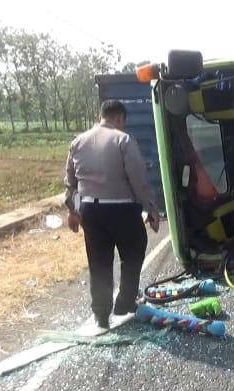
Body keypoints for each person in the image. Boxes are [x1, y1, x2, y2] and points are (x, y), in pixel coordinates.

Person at [64, 99, 161, 333]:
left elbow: (71, 184)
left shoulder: (78, 141)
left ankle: (101, 315)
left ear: (101, 117)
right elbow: (138, 179)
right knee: (134, 251)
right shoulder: (123, 140)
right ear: (119, 119)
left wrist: (73, 212)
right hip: (121, 209)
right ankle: (125, 304)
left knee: (99, 262)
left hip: (90, 211)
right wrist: (151, 209)